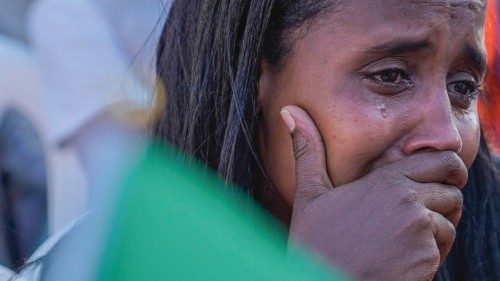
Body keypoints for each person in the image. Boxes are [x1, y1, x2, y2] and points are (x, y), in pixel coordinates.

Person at [154, 0, 500, 280]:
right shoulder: (117, 246)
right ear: (251, 75)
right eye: (390, 76)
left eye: (462, 87)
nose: (447, 137)